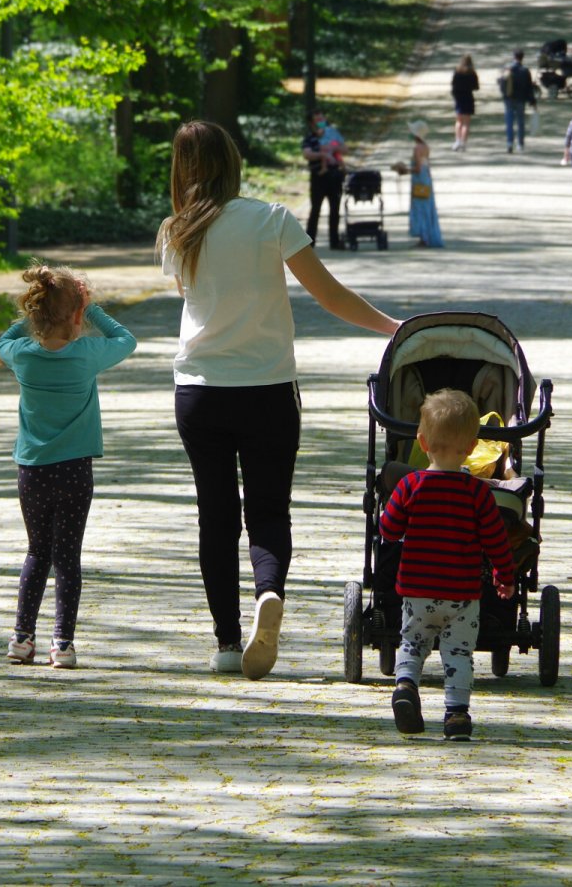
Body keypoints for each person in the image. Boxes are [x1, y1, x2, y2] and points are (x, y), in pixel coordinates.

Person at [158, 120, 401, 680]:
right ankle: (269, 591)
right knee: (267, 511)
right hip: (267, 390)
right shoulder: (271, 220)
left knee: (214, 516)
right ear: (233, 163)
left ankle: (225, 641)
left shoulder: (176, 232)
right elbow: (330, 295)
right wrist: (392, 327)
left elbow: (196, 300)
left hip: (199, 392)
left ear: (182, 170)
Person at [0, 263, 137, 669]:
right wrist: (91, 310)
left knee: (37, 552)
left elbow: (4, 339)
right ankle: (63, 643)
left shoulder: (22, 356)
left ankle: (22, 638)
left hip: (33, 470)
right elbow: (125, 339)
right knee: (67, 557)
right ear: (77, 315)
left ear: (35, 311)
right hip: (75, 470)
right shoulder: (86, 354)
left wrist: (31, 321)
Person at [379, 389, 516, 741]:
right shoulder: (478, 493)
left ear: (422, 442)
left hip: (418, 592)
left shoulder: (411, 485)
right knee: (458, 654)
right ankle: (456, 716)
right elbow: (496, 542)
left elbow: (389, 529)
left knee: (412, 644)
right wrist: (504, 576)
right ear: (471, 447)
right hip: (461, 596)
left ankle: (406, 687)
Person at [393, 120, 443, 248]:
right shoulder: (426, 147)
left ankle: (423, 237)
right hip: (426, 179)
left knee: (420, 208)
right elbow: (427, 165)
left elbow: (418, 168)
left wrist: (404, 170)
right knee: (427, 207)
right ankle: (427, 236)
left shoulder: (417, 149)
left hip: (419, 179)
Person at [300, 110, 345, 250]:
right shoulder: (309, 138)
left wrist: (334, 148)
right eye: (317, 119)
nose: (321, 121)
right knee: (315, 209)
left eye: (322, 118)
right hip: (318, 177)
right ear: (311, 123)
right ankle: (310, 242)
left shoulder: (333, 134)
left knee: (335, 209)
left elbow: (345, 148)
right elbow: (307, 154)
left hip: (334, 175)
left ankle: (335, 241)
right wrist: (322, 154)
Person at [500, 49, 537, 153]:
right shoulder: (525, 71)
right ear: (522, 57)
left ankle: (509, 143)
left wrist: (505, 96)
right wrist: (532, 101)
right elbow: (529, 88)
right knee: (521, 123)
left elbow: (502, 83)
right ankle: (520, 144)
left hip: (509, 99)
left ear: (514, 57)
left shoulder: (508, 69)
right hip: (521, 99)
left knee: (509, 122)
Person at [450, 55, 479, 151]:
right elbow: (476, 87)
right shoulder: (472, 73)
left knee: (458, 121)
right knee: (466, 123)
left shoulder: (457, 72)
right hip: (468, 98)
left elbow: (453, 85)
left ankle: (457, 141)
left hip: (458, 98)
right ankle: (463, 143)